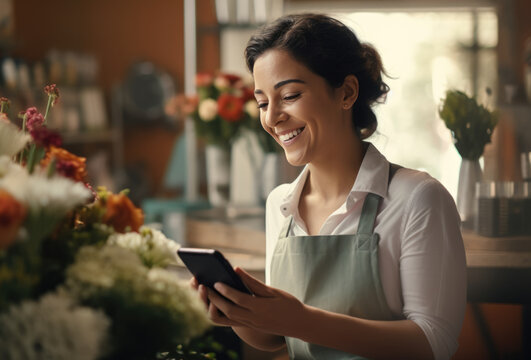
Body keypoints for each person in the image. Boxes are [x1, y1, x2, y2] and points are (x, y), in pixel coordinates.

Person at [191, 13, 466, 360]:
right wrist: (237, 316)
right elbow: (278, 337)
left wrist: (304, 321)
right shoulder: (281, 204)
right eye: (262, 102)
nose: (272, 117)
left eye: (289, 95)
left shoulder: (419, 199)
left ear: (347, 92)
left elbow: (433, 343)